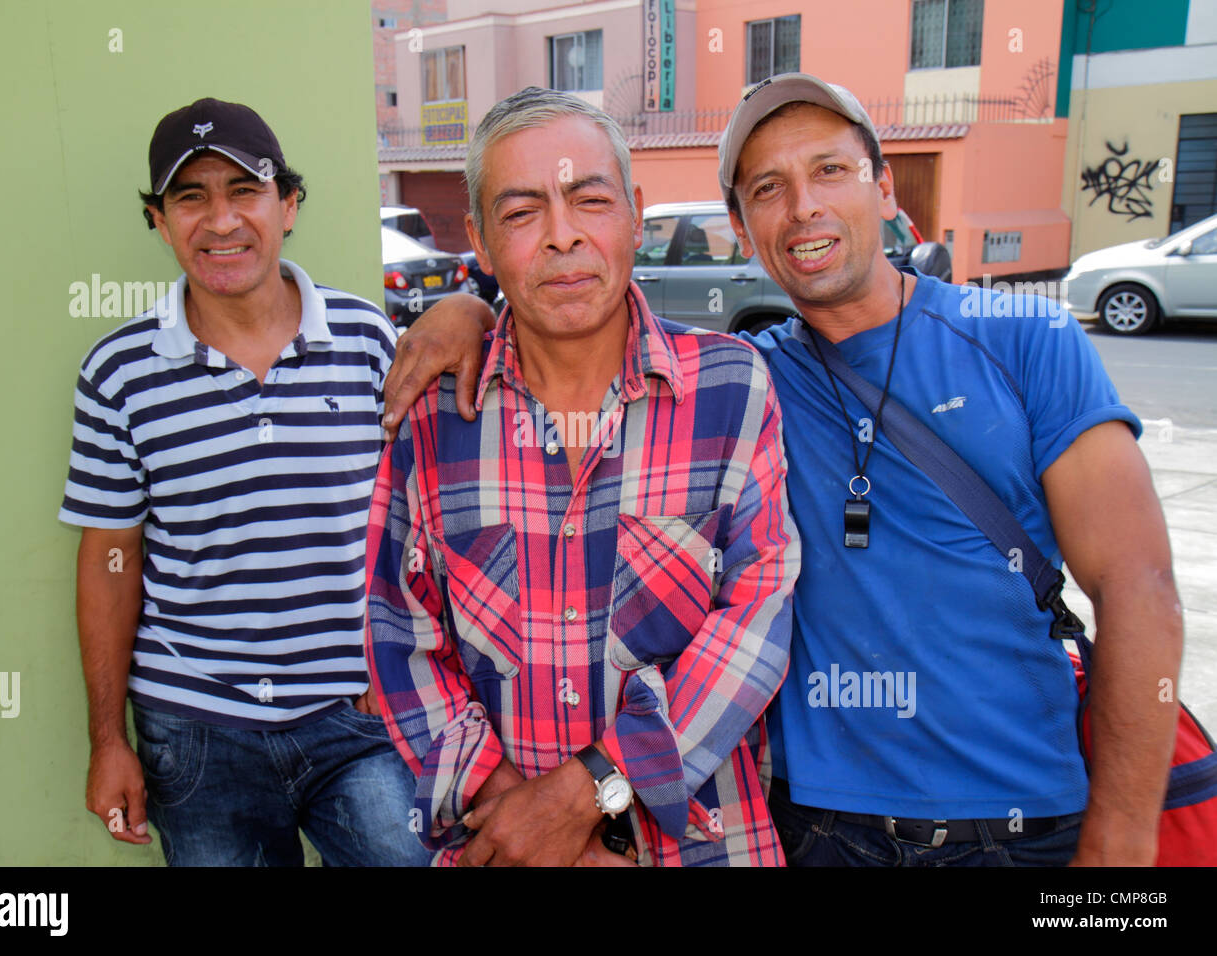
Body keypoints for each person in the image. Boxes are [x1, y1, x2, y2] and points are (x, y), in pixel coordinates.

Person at [381, 74, 1182, 866]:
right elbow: (575, 308)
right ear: (739, 224)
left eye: (830, 170)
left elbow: (1138, 585)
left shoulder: (1025, 339)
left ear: (886, 185)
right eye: (768, 188)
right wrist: (471, 311)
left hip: (1025, 827)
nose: (803, 207)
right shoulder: (749, 380)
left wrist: (1122, 837)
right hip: (821, 831)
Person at [364, 87, 800, 866]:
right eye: (522, 211)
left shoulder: (732, 389)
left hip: (700, 845)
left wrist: (590, 796)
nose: (562, 237)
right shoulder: (433, 423)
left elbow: (755, 623)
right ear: (481, 241)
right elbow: (404, 639)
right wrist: (524, 822)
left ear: (635, 212)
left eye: (589, 200)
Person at [59, 97, 429, 866]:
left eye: (244, 191)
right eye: (190, 197)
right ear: (159, 221)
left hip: (358, 719)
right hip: (195, 734)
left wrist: (399, 666)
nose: (220, 221)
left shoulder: (367, 341)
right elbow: (109, 560)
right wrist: (107, 741)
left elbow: (421, 520)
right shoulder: (119, 373)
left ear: (287, 205)